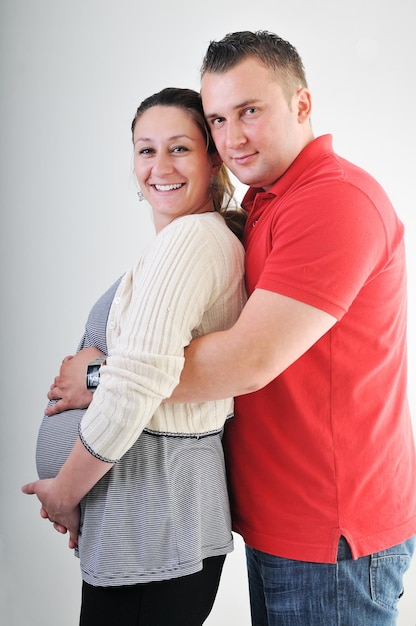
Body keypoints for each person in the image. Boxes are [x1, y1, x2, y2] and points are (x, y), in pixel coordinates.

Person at [34, 31, 416, 626]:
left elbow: (248, 360)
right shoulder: (266, 204)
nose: (233, 136)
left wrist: (97, 376)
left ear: (302, 105)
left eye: (251, 111)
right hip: (278, 521)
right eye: (217, 118)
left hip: (328, 534)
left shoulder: (332, 202)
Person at [23, 87, 247, 626]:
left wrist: (64, 492)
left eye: (179, 148)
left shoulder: (192, 239)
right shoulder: (184, 241)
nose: (159, 166)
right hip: (145, 520)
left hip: (153, 519)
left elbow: (137, 382)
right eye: (145, 150)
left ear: (213, 157)